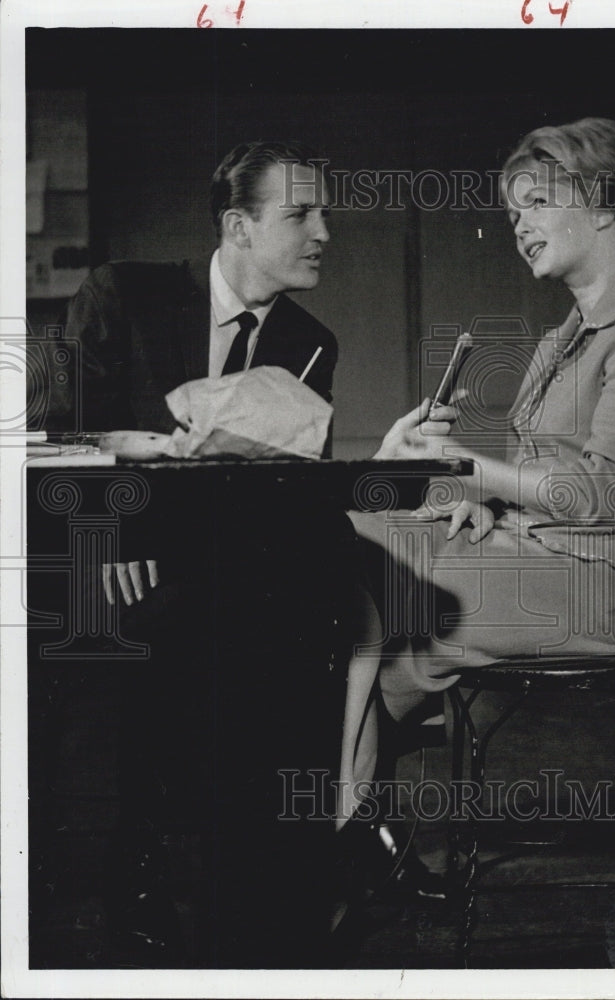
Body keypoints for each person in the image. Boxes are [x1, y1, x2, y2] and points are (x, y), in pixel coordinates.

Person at [346, 117, 615, 833]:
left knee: (393, 608)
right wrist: (482, 500)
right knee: (360, 540)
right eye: (514, 213)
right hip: (538, 556)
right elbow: (540, 476)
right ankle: (355, 802)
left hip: (606, 588)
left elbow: (599, 495)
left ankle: (348, 816)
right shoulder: (560, 338)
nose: (519, 227)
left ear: (604, 205)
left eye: (537, 203)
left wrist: (461, 467)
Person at [57, 139, 354, 966]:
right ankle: (138, 890)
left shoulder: (311, 341)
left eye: (323, 211)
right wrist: (107, 528)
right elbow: (51, 434)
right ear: (238, 225)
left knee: (299, 632)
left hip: (233, 574)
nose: (324, 231)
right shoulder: (123, 293)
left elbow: (287, 481)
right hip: (115, 559)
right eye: (301, 214)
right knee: (141, 680)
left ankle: (270, 902)